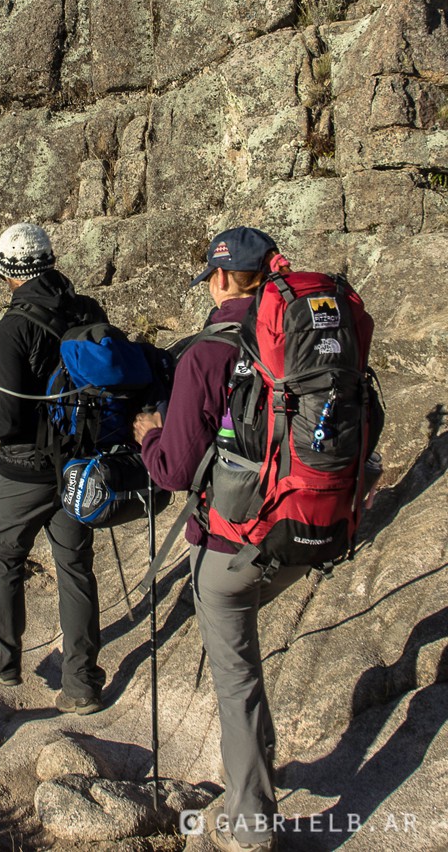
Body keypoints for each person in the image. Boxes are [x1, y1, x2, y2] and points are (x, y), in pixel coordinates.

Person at [133, 227, 308, 852]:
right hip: (302, 524)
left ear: (224, 277)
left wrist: (148, 432)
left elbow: (174, 470)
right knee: (244, 666)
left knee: (237, 681)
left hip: (232, 540)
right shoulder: (302, 335)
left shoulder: (205, 353)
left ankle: (251, 824)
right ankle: (252, 782)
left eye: (211, 275)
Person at [0, 222, 108, 708]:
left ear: (7, 272)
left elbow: (6, 418)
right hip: (78, 462)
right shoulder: (85, 309)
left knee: (5, 555)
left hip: (25, 470)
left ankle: (4, 657)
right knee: (75, 568)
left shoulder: (12, 329)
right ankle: (81, 684)